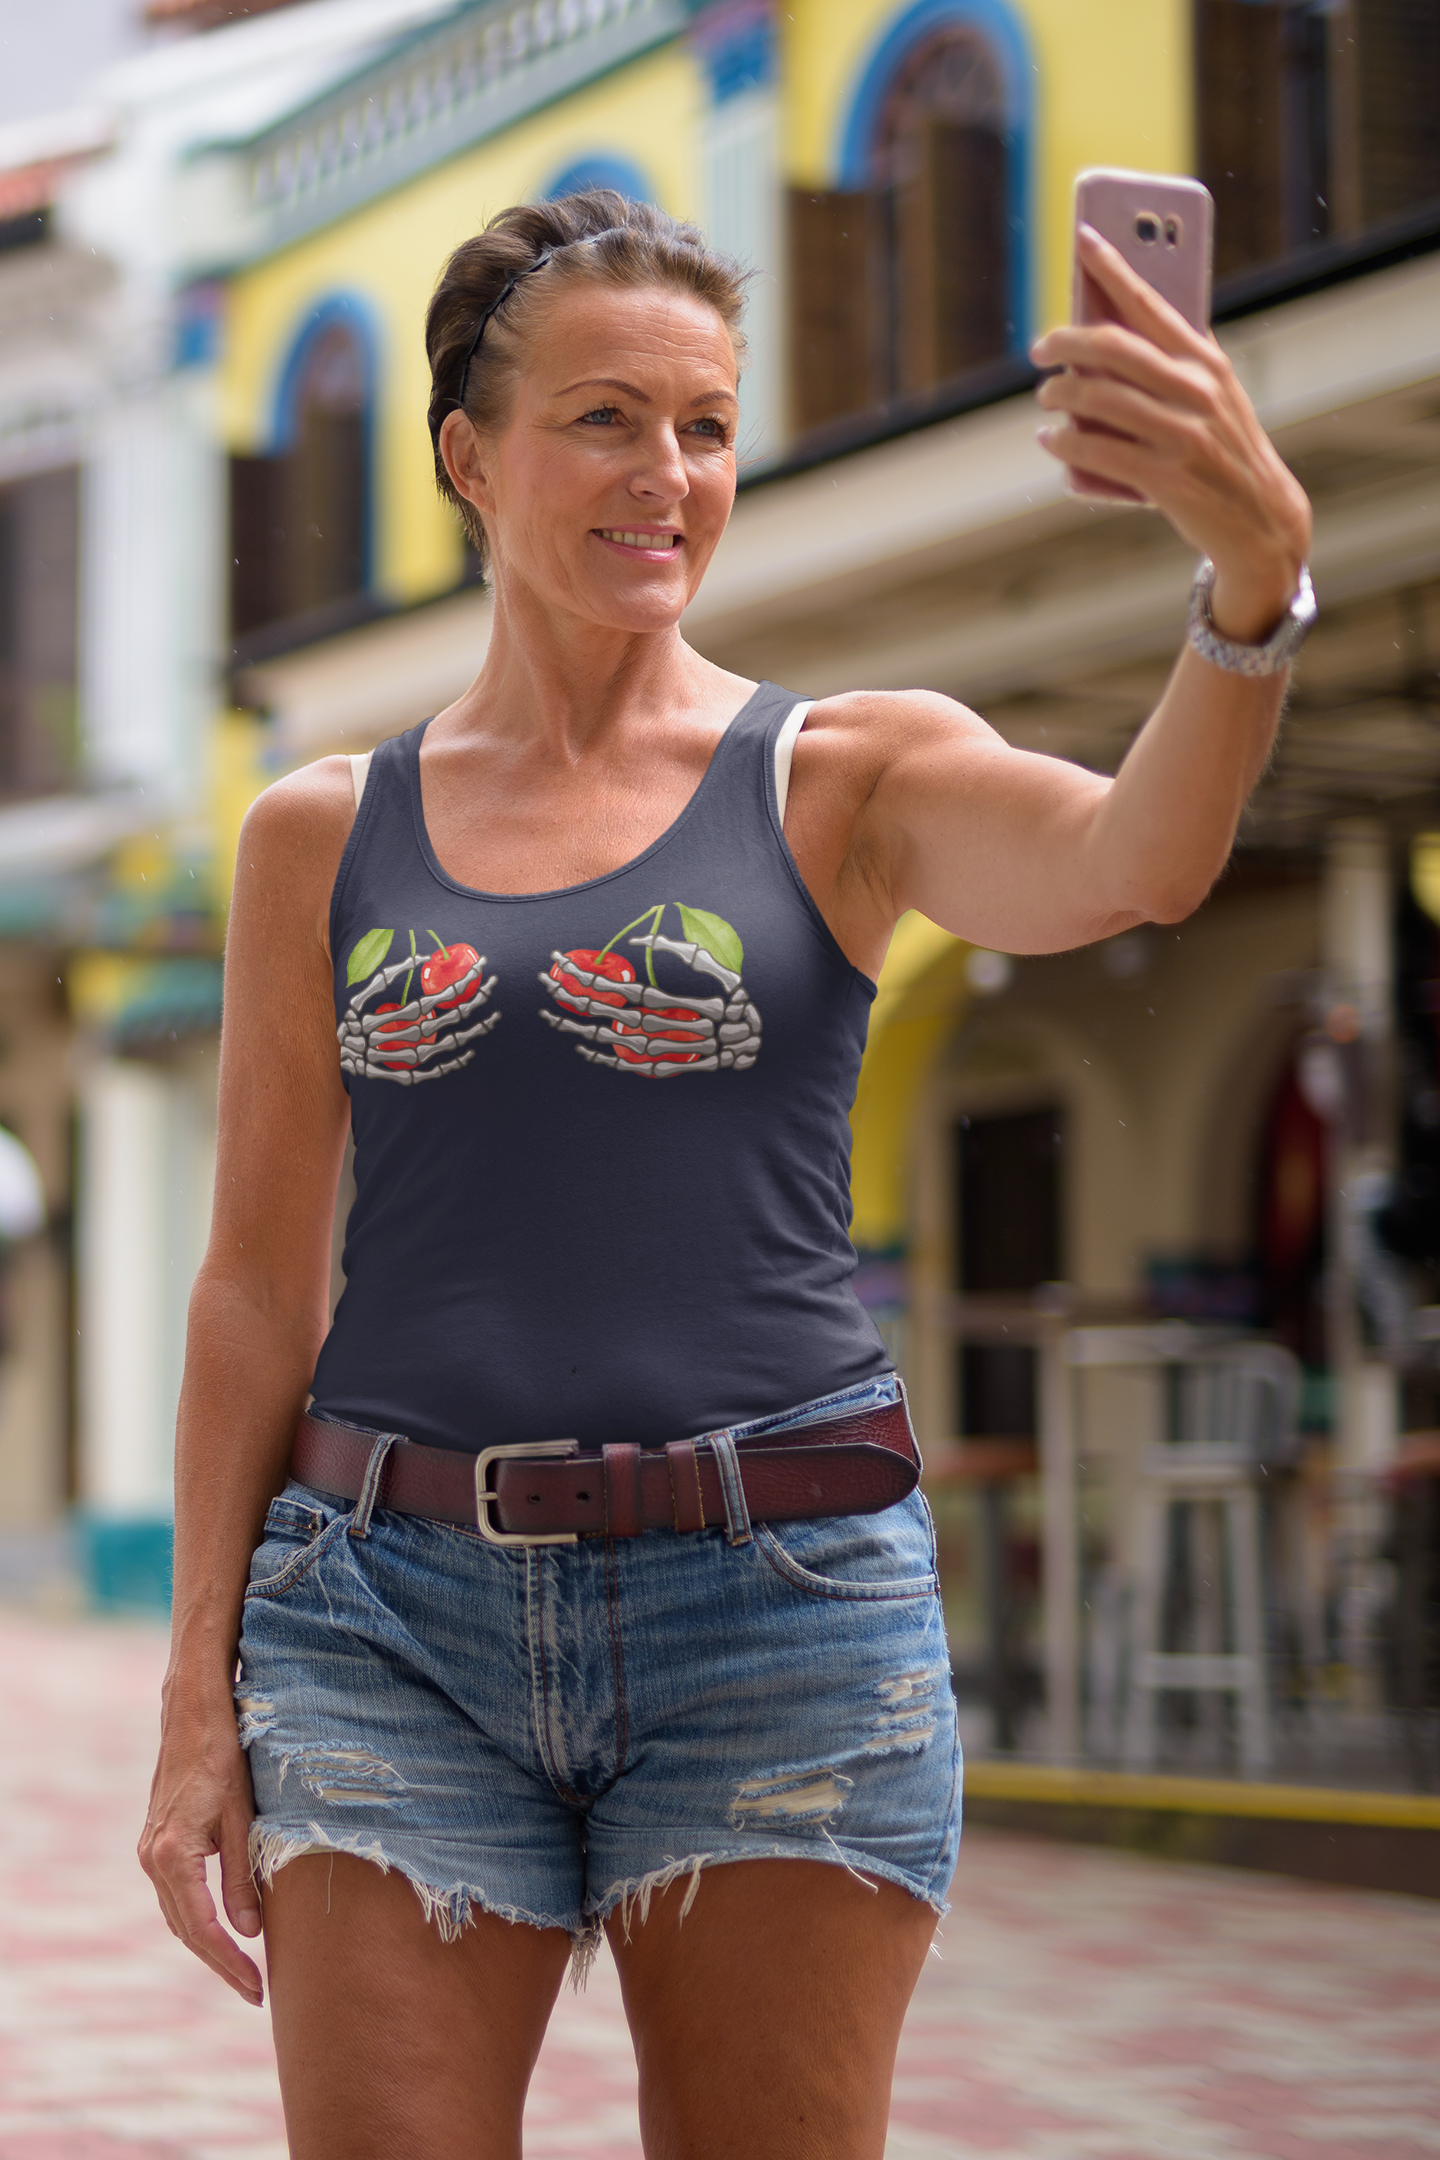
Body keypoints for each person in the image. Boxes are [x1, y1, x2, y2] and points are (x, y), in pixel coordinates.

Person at [140, 191, 1312, 2159]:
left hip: (777, 1611)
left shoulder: (844, 777)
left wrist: (1252, 585)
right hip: (383, 1619)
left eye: (704, 424)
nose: (667, 475)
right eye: (604, 418)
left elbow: (1135, 859)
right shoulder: (320, 834)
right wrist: (193, 1702)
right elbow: (260, 1287)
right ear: (469, 459)